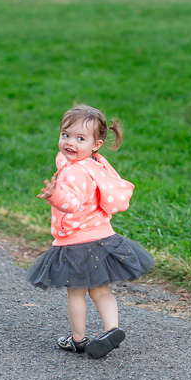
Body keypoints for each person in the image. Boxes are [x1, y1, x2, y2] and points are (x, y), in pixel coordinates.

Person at [27, 104, 154, 359]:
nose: (70, 142)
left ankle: (77, 339)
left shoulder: (75, 173)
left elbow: (72, 204)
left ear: (96, 144)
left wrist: (55, 196)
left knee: (76, 292)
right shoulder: (96, 163)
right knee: (101, 290)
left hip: (77, 244)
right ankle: (111, 329)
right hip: (103, 239)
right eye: (66, 135)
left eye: (80, 138)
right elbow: (69, 168)